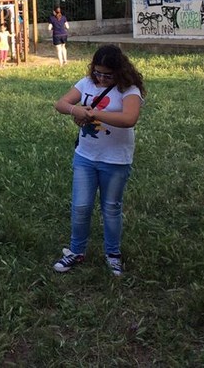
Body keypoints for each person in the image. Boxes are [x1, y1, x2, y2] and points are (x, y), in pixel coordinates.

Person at [52, 44, 145, 277]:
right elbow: (61, 103)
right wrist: (75, 111)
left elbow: (129, 118)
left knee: (111, 207)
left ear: (119, 71)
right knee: (80, 206)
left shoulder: (129, 90)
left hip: (115, 160)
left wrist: (93, 113)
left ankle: (113, 254)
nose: (101, 78)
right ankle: (76, 251)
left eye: (107, 75)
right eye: (97, 72)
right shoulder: (86, 83)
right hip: (85, 156)